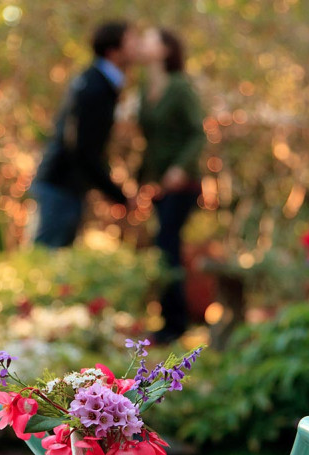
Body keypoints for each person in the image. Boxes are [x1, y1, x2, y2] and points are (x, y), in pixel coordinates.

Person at [32, 21, 137, 248]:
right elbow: (82, 147)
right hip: (61, 184)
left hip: (66, 183)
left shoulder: (98, 82)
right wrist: (117, 195)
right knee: (47, 256)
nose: (136, 47)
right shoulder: (95, 87)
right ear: (113, 50)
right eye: (131, 42)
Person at [136, 27, 206, 344]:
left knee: (167, 245)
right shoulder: (143, 87)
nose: (143, 43)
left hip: (183, 183)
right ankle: (169, 319)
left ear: (166, 49)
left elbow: (197, 133)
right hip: (158, 185)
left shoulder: (180, 87)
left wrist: (180, 167)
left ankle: (175, 323)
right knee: (163, 247)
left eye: (150, 39)